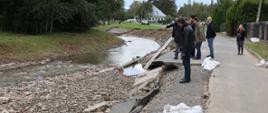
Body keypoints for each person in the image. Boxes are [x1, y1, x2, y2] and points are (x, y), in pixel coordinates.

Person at [177, 18, 195, 83]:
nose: (178, 25)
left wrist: (183, 52)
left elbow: (186, 42)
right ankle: (187, 77)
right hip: (189, 48)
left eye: (179, 24)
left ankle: (187, 78)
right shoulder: (188, 27)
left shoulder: (187, 29)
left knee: (186, 63)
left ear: (181, 23)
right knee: (187, 63)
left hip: (187, 49)